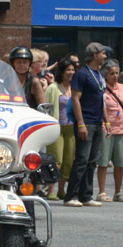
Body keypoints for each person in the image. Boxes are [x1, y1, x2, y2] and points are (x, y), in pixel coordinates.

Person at [65, 43, 110, 207]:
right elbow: (75, 99)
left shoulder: (99, 74)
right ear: (94, 55)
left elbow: (102, 100)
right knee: (81, 159)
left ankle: (86, 195)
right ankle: (72, 195)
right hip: (86, 121)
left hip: (97, 122)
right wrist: (81, 123)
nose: (105, 56)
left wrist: (107, 120)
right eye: (103, 53)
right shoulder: (82, 74)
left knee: (92, 161)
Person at [96, 60, 123, 202]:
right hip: (106, 128)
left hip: (122, 128)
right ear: (105, 75)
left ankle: (118, 192)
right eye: (112, 73)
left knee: (120, 162)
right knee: (103, 161)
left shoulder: (122, 87)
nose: (115, 76)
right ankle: (102, 192)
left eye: (117, 73)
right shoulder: (101, 88)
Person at [45, 58, 76, 200]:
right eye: (68, 70)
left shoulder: (75, 87)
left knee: (68, 160)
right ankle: (51, 190)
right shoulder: (53, 87)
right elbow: (47, 107)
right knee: (56, 159)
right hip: (57, 127)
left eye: (72, 70)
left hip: (71, 128)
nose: (71, 72)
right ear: (62, 72)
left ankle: (61, 190)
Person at [10, 46, 46, 110]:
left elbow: (43, 107)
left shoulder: (34, 82)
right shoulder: (6, 81)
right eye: (18, 62)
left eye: (25, 62)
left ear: (29, 64)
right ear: (13, 63)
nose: (22, 65)